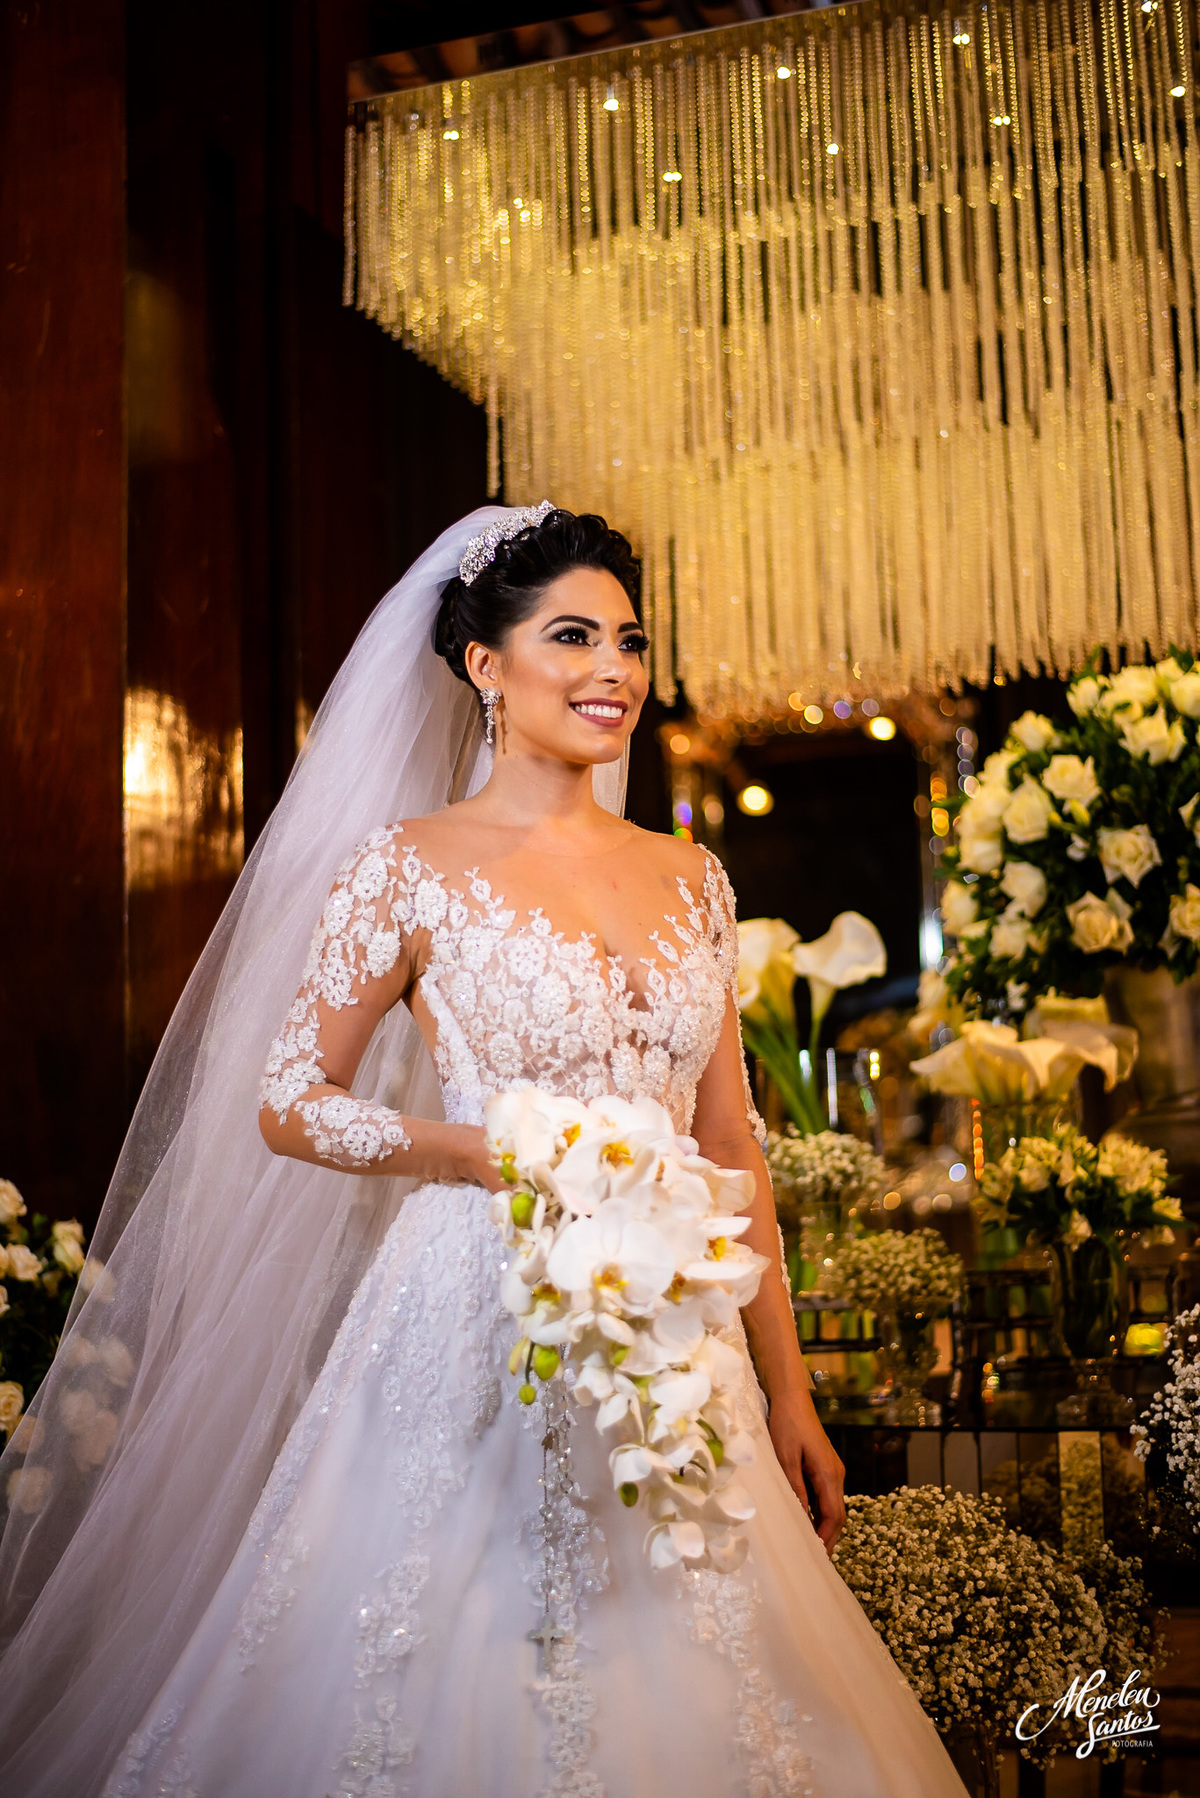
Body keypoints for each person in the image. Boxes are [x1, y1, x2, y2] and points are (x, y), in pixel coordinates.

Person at [0, 504, 966, 1797]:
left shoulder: (691, 878)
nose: (613, 669)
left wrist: (789, 1390)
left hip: (680, 1345)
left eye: (628, 640)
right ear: (485, 665)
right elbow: (290, 1096)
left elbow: (732, 1146)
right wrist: (492, 1150)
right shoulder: (405, 868)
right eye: (572, 635)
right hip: (467, 1315)